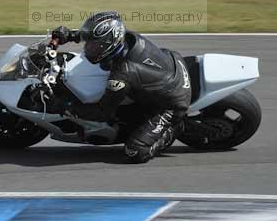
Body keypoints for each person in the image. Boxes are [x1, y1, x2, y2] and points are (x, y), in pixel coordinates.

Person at [51, 11, 192, 163]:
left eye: (93, 45)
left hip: (172, 103)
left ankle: (175, 129)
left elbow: (102, 113)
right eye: (89, 43)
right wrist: (70, 35)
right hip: (170, 64)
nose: (88, 48)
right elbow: (96, 36)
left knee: (135, 151)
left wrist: (66, 107)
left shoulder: (122, 74)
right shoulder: (125, 37)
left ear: (108, 44)